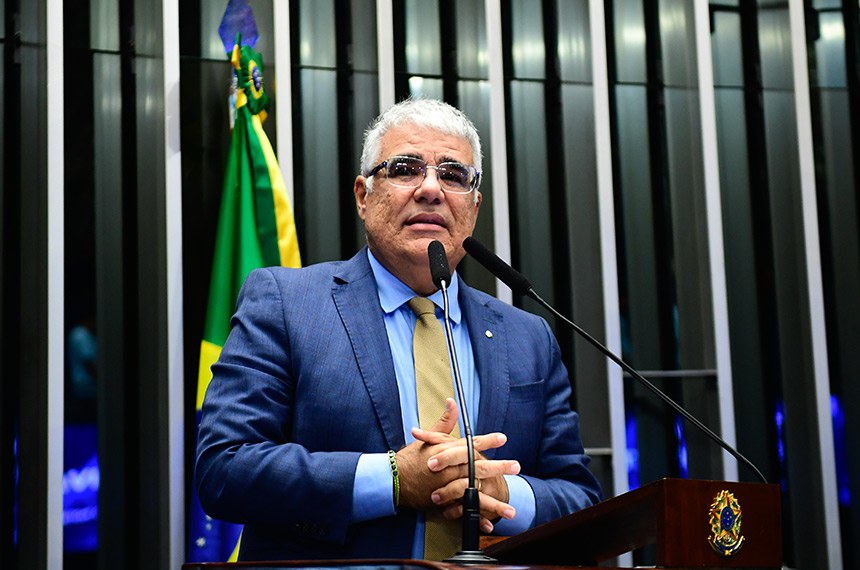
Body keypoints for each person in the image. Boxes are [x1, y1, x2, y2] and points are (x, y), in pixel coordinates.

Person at [195, 98, 602, 561]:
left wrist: (504, 493)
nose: (431, 189)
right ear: (363, 196)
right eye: (406, 169)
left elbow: (580, 498)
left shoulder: (528, 336)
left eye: (453, 175)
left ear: (474, 207)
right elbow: (224, 468)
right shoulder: (286, 303)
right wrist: (392, 479)